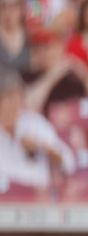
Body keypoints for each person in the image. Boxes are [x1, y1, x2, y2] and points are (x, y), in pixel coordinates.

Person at [0, 67, 75, 195]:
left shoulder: (35, 123)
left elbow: (68, 163)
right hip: (6, 202)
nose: (14, 104)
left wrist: (42, 147)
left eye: (17, 97)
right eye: (8, 98)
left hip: (40, 199)